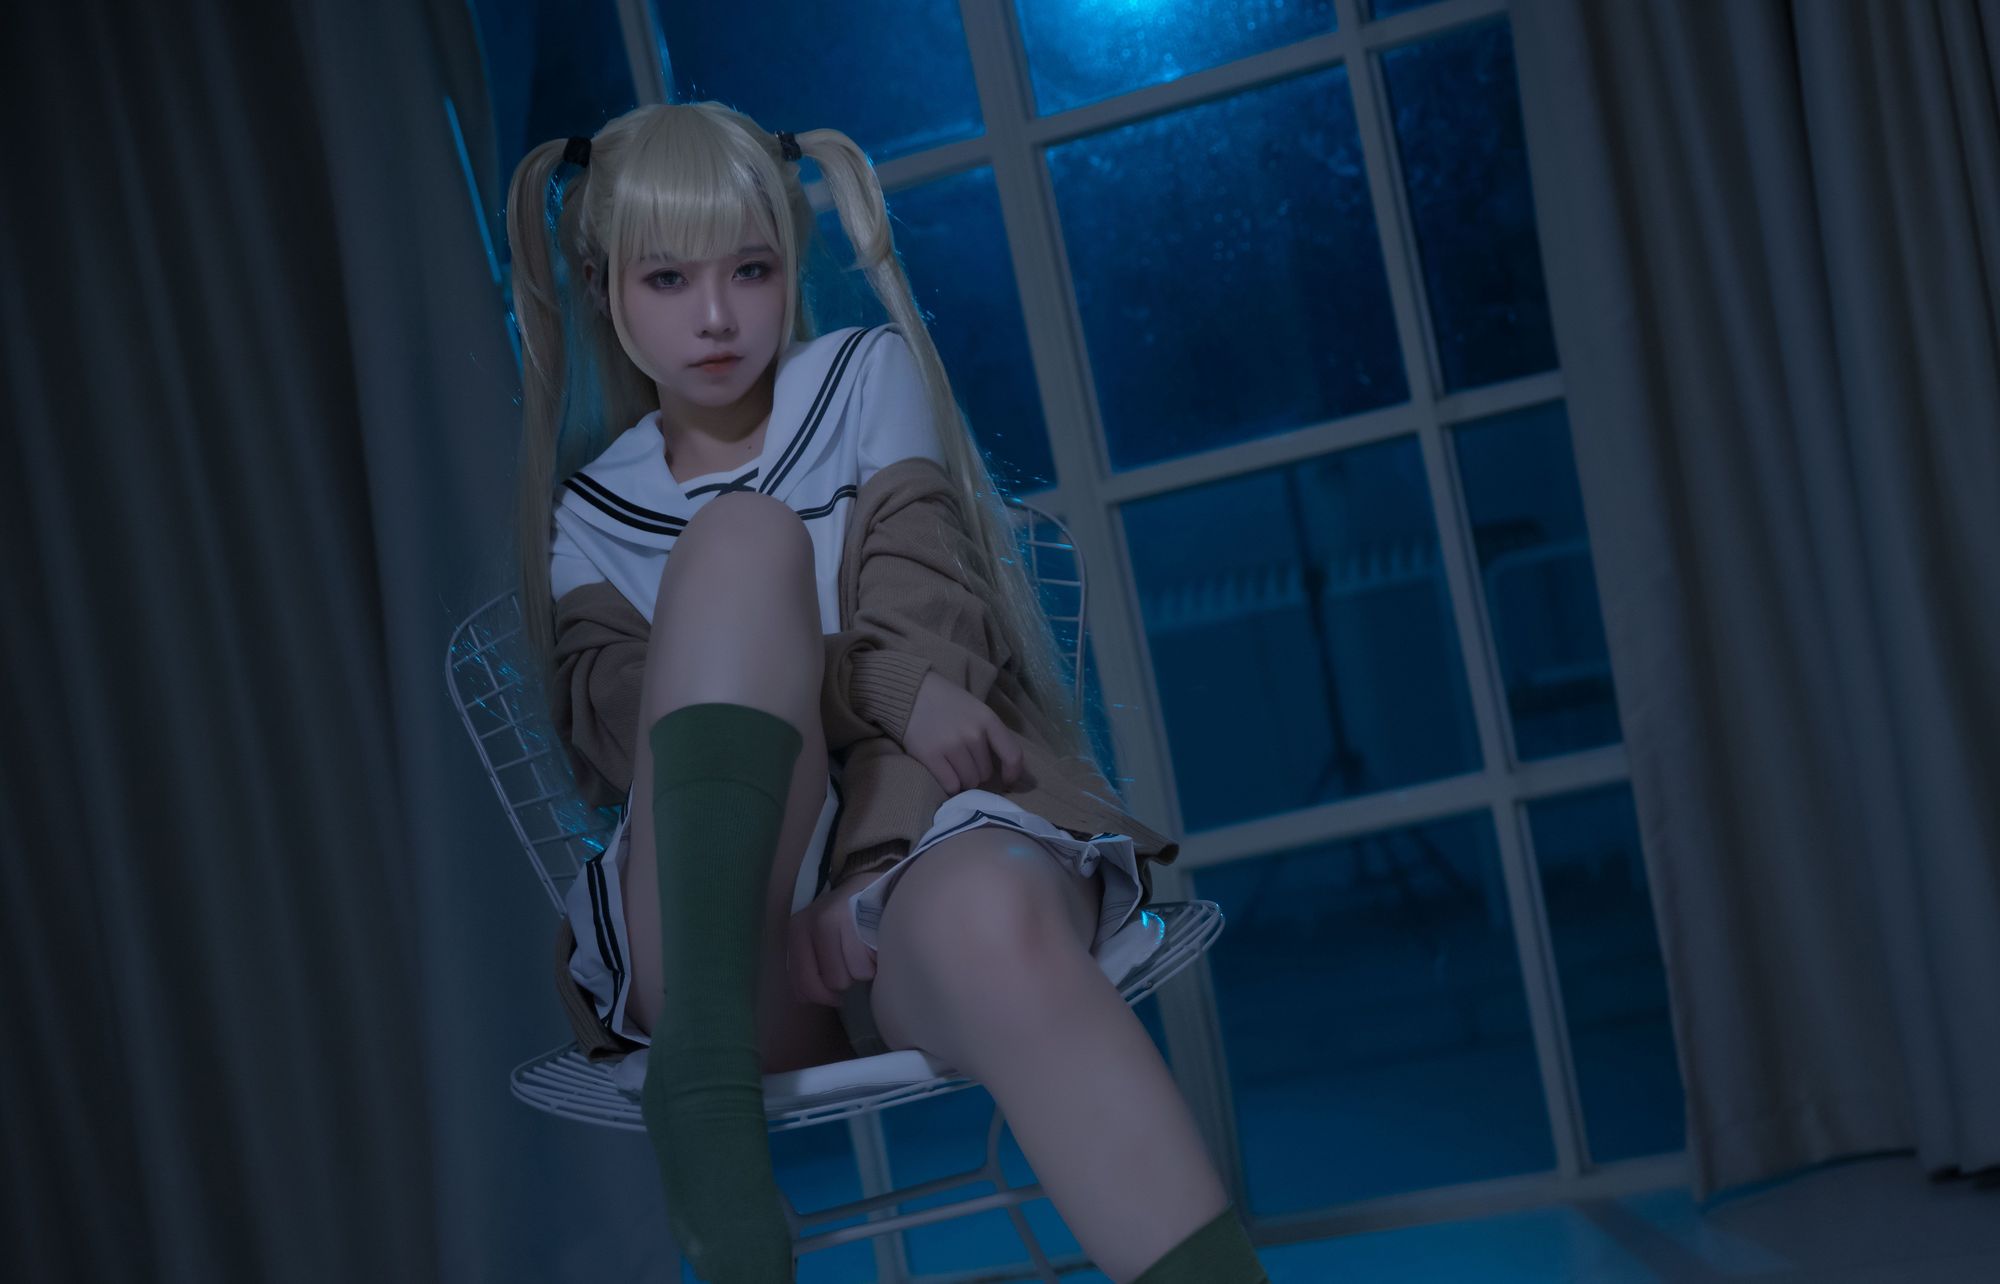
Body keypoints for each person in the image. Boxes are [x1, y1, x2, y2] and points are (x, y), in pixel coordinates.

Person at [503, 100, 1269, 1284]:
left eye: (750, 269)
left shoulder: (859, 378)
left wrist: (866, 878)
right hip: (721, 946)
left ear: (790, 264)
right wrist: (888, 688)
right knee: (741, 543)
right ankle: (698, 1085)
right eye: (666, 279)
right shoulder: (587, 517)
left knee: (995, 918)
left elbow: (930, 620)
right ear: (603, 288)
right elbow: (634, 744)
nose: (716, 318)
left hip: (915, 874)